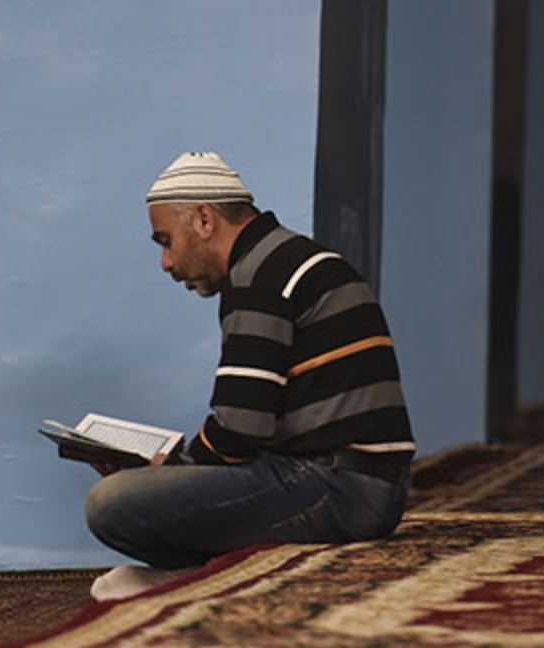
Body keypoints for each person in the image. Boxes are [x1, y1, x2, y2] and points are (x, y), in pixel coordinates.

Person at [84, 151, 414, 601]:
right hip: (367, 483)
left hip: (340, 490)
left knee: (111, 503)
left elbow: (242, 428)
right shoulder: (292, 257)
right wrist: (173, 470)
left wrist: (170, 469)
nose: (165, 262)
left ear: (203, 219)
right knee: (148, 488)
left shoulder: (260, 275)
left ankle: (190, 578)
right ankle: (209, 573)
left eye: (166, 241)